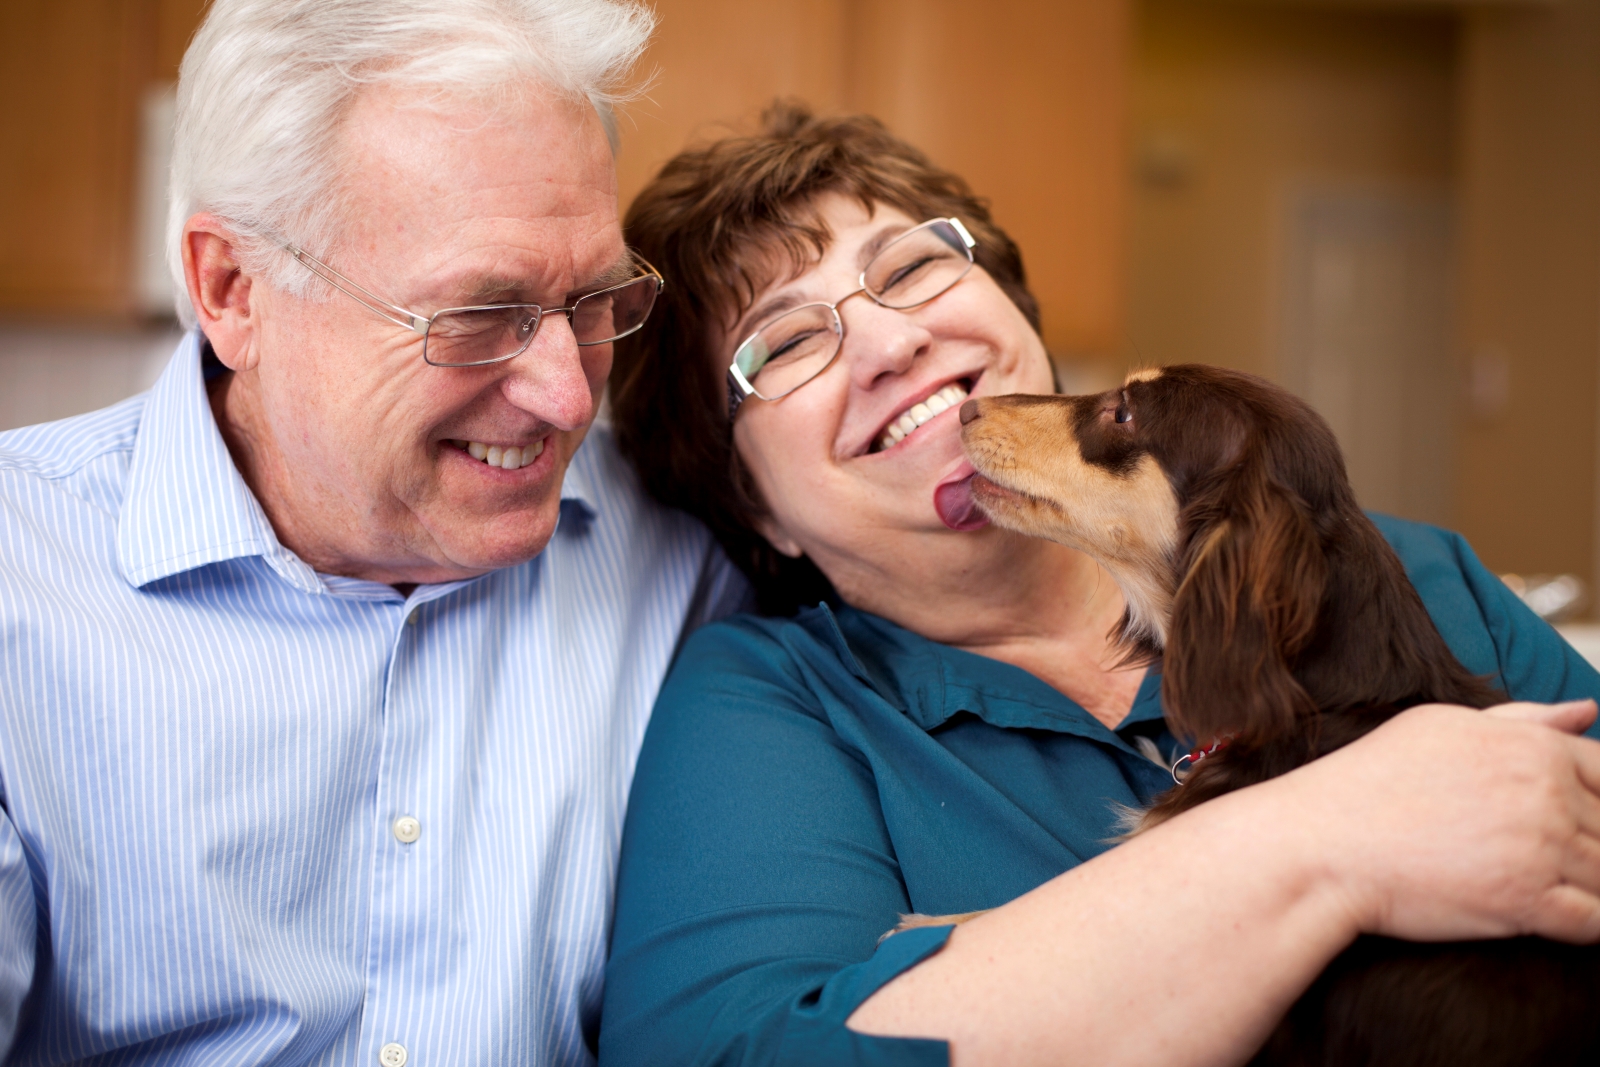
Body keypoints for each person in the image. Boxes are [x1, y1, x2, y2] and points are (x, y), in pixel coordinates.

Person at [599, 104, 1600, 1067]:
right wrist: (1322, 838)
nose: (888, 341)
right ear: (746, 499)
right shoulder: (775, 703)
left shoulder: (1422, 578)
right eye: (784, 342)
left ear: (1015, 313)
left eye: (907, 267)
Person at [0, 1, 747, 1062]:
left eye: (593, 299)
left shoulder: (688, 556)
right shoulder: (19, 577)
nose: (567, 397)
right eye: (478, 317)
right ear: (232, 288)